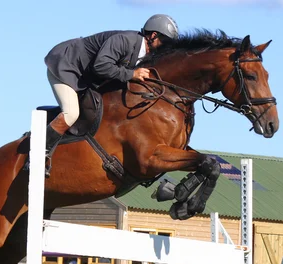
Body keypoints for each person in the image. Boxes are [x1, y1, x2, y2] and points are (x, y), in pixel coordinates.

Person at [37, 14, 179, 176]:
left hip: (84, 77)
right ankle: (39, 154)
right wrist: (131, 74)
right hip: (66, 67)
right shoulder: (125, 40)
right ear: (153, 36)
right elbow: (101, 66)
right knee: (72, 113)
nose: (167, 49)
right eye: (166, 43)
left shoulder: (143, 54)